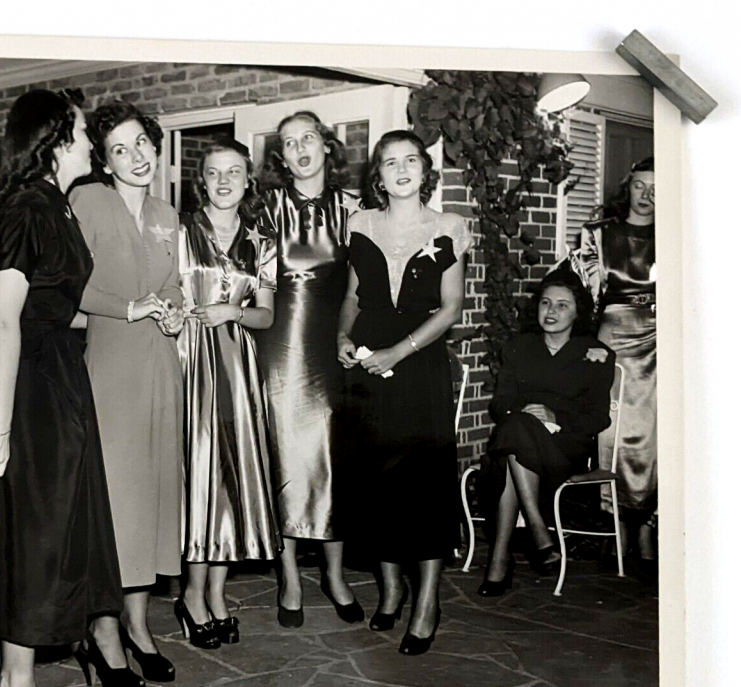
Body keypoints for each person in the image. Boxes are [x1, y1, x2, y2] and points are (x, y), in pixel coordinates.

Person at [0, 90, 157, 687]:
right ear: (57, 139)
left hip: (53, 372)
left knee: (29, 531)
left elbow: (56, 304)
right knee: (35, 537)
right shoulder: (29, 206)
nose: (92, 142)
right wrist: (1, 427)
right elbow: (3, 319)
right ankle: (19, 685)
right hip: (25, 383)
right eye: (85, 133)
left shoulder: (52, 204)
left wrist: (135, 312)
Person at [338, 129, 470, 654]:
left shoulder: (450, 226)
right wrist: (342, 337)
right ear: (379, 174)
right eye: (389, 162)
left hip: (419, 368)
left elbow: (452, 308)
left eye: (410, 160)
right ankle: (390, 590)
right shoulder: (360, 223)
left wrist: (401, 350)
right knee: (375, 485)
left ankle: (427, 602)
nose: (400, 169)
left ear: (424, 170)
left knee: (422, 486)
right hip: (367, 370)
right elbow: (351, 296)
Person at [70, 101, 183, 684]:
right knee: (115, 503)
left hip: (160, 365)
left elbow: (173, 286)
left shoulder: (167, 212)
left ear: (155, 146)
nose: (136, 157)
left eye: (141, 143)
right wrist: (129, 307)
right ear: (104, 162)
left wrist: (176, 312)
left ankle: (139, 625)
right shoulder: (88, 202)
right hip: (110, 364)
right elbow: (69, 282)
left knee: (154, 500)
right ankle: (104, 630)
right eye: (120, 149)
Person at [256, 111, 363, 628]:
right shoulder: (266, 208)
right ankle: (291, 577)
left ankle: (334, 574)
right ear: (281, 155)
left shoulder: (354, 209)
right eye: (289, 142)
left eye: (308, 138)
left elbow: (362, 290)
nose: (300, 148)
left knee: (332, 462)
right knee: (283, 461)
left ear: (327, 145)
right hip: (277, 347)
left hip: (330, 346)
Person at [175, 138, 281, 649]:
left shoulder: (262, 242)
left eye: (234, 172)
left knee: (230, 482)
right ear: (203, 180)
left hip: (237, 367)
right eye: (214, 173)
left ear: (247, 181)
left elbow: (266, 315)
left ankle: (216, 594)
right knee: (199, 479)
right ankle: (192, 595)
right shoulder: (177, 233)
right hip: (189, 363)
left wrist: (232, 312)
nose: (223, 182)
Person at [476, 267, 616, 596]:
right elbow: (500, 404)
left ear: (578, 311)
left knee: (512, 439)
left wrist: (555, 415)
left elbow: (598, 417)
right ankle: (538, 530)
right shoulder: (518, 347)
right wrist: (523, 414)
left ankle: (501, 559)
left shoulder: (595, 354)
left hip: (566, 449)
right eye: (545, 303)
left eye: (562, 305)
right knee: (516, 428)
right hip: (520, 443)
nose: (551, 312)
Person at [571, 157, 657, 564]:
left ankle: (645, 527)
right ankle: (616, 525)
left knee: (655, 437)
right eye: (640, 186)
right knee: (614, 433)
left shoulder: (678, 234)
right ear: (629, 188)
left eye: (657, 187)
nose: (648, 195)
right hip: (615, 337)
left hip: (662, 339)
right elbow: (585, 297)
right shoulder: (599, 236)